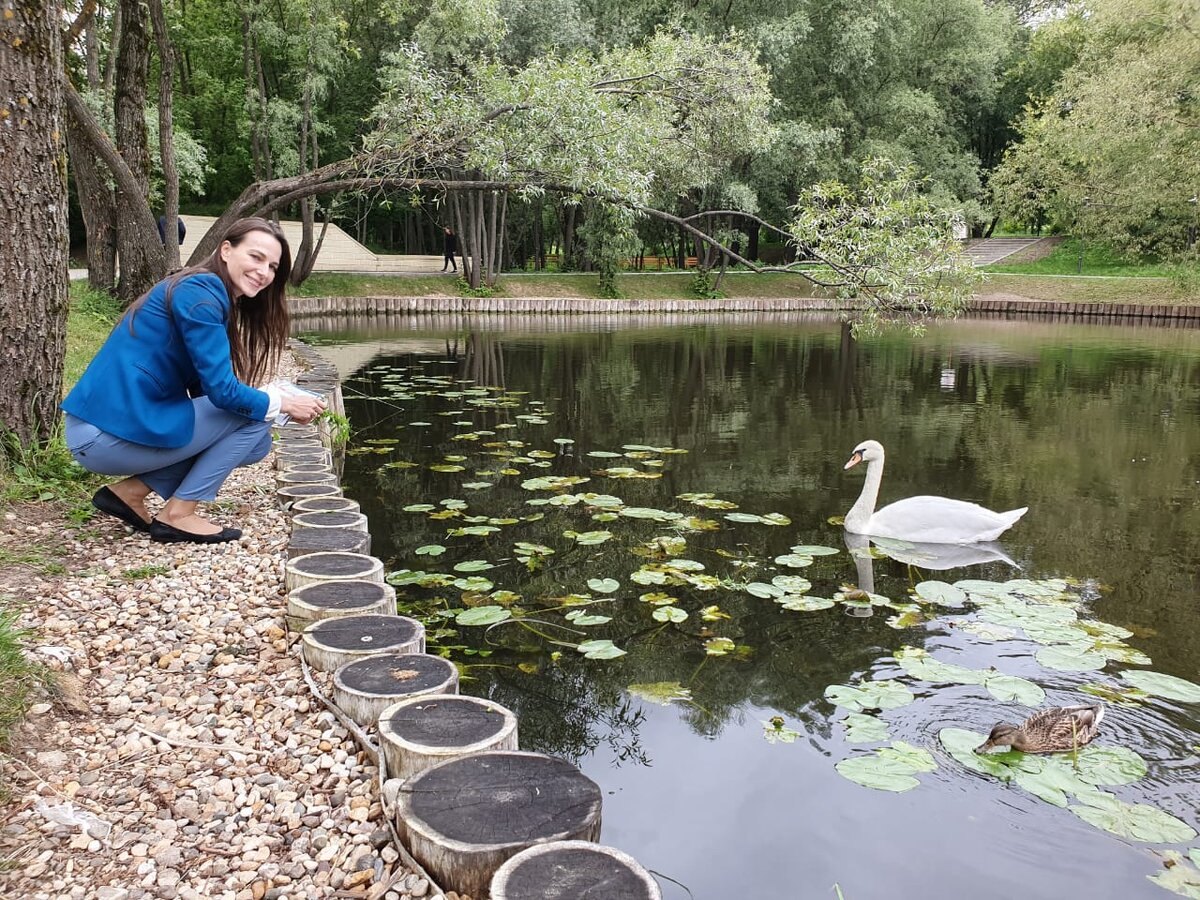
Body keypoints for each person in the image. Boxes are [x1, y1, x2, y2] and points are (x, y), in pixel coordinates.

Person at [62, 217, 326, 544]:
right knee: (261, 415)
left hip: (111, 428)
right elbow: (222, 393)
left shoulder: (205, 292)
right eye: (256, 257)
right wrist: (281, 402)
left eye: (272, 267)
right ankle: (178, 514)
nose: (264, 272)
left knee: (258, 441)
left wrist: (265, 402)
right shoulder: (201, 292)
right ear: (226, 250)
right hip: (102, 434)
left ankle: (129, 493)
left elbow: (209, 390)